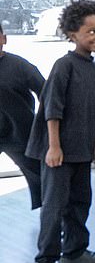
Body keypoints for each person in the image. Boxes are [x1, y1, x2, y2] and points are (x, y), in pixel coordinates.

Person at [27, 0, 95, 263]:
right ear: (73, 33)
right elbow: (52, 109)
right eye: (91, 31)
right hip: (57, 152)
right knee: (54, 205)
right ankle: (45, 261)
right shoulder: (64, 66)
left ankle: (74, 251)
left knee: (80, 202)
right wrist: (53, 147)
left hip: (81, 151)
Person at [0, 24, 44, 210]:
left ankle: (52, 217)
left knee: (39, 175)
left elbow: (46, 93)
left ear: (4, 38)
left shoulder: (19, 66)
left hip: (21, 133)